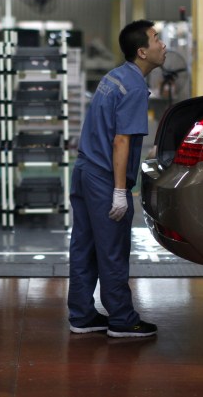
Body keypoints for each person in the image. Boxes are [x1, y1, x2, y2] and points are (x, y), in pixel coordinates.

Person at [67, 19, 166, 338]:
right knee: (111, 249)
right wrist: (121, 191)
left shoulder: (115, 76)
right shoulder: (135, 86)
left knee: (84, 247)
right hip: (103, 179)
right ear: (142, 51)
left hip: (83, 170)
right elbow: (121, 140)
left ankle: (81, 315)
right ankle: (122, 319)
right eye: (155, 39)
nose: (162, 45)